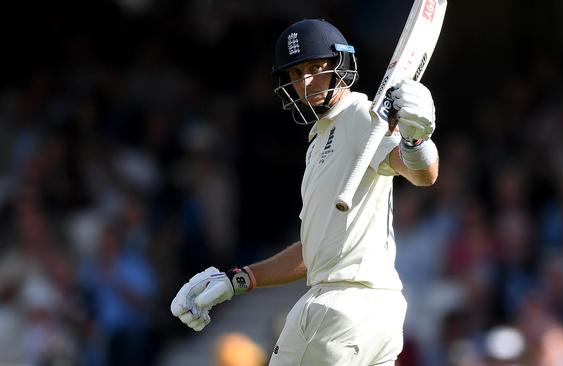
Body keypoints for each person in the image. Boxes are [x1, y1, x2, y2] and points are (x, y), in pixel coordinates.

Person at [171, 18, 440, 365]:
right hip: (379, 317)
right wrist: (239, 280)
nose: (306, 82)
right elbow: (313, 250)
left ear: (340, 65)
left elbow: (421, 174)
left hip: (340, 304)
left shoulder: (359, 114)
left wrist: (417, 139)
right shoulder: (319, 139)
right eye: (297, 74)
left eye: (315, 68)